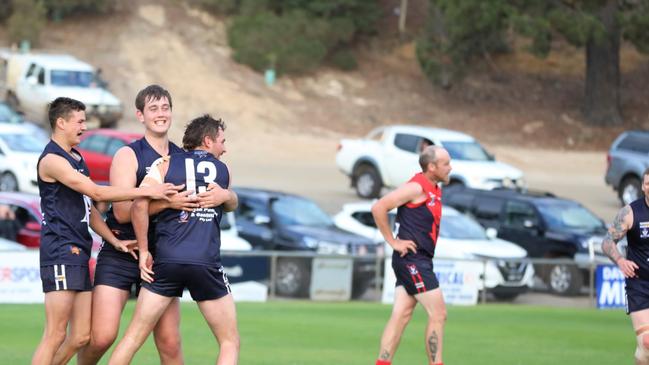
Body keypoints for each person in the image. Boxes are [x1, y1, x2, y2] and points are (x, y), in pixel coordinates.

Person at [31, 97, 180, 365]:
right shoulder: (52, 160)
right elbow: (97, 192)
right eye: (79, 121)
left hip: (79, 251)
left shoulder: (76, 158)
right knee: (54, 334)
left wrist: (114, 240)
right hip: (60, 250)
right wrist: (147, 191)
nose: (85, 127)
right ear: (61, 123)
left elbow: (89, 210)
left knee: (80, 337)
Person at [108, 114, 239, 365]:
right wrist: (226, 195)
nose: (225, 147)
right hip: (206, 263)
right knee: (229, 341)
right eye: (222, 141)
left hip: (167, 261)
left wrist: (145, 250)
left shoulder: (165, 164)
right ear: (209, 141)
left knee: (133, 337)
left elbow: (138, 205)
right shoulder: (223, 171)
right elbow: (231, 203)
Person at [78, 85, 193, 365]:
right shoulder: (128, 155)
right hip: (122, 253)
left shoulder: (181, 158)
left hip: (161, 257)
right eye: (153, 109)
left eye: (165, 108)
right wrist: (166, 202)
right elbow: (123, 212)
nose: (161, 114)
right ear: (140, 115)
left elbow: (189, 206)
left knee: (170, 342)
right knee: (103, 337)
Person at [372, 145, 452, 365]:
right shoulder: (417, 187)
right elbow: (379, 207)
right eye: (446, 164)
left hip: (417, 260)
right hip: (413, 261)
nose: (450, 168)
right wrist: (392, 241)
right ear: (431, 166)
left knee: (401, 315)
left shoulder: (435, 187)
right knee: (438, 314)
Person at [601, 168, 649, 365]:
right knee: (647, 342)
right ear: (643, 186)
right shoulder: (630, 212)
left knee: (645, 352)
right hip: (639, 285)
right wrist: (620, 261)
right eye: (647, 184)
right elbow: (606, 242)